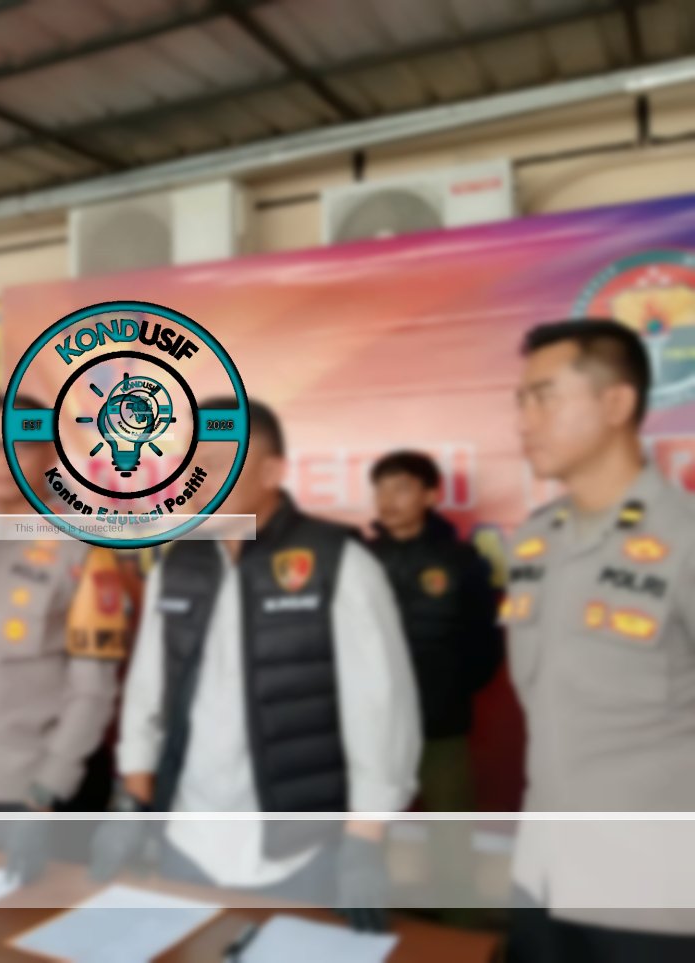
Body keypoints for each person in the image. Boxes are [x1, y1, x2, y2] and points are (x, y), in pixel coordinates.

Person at [101, 398, 422, 931]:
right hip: (187, 843)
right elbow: (145, 698)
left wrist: (364, 839)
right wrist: (132, 801)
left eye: (217, 462)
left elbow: (382, 712)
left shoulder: (337, 563)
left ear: (272, 472)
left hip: (300, 851)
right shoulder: (176, 564)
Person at [506, 319, 695, 961]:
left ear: (616, 403)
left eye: (544, 398)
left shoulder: (683, 538)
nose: (524, 421)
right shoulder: (533, 539)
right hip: (542, 876)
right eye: (520, 401)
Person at [0, 396, 128, 875]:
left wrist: (47, 790)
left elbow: (93, 691)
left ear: (50, 454)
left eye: (21, 444)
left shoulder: (81, 547)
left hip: (26, 791)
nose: (2, 459)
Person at [366, 450, 502, 912]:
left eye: (401, 488)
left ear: (430, 495)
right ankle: (373, 921)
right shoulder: (362, 560)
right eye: (381, 489)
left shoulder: (461, 561)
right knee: (369, 832)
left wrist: (447, 691)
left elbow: (485, 646)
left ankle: (460, 927)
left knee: (451, 834)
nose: (388, 499)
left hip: (441, 725)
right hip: (375, 727)